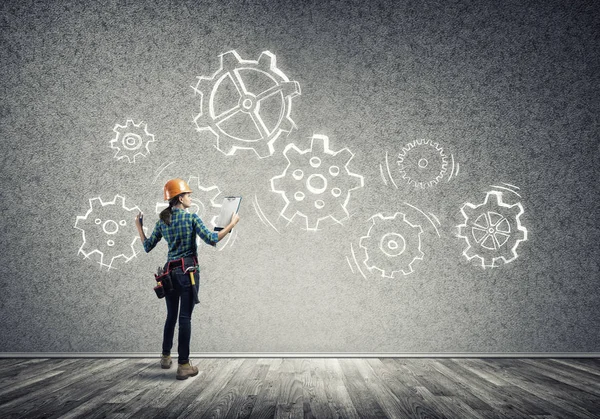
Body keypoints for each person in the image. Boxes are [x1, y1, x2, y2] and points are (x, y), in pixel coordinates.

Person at [134, 178, 240, 380]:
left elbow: (147, 247)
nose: (191, 198)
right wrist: (232, 224)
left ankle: (165, 357)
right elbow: (212, 239)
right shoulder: (192, 218)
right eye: (188, 195)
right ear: (180, 198)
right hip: (187, 273)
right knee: (185, 318)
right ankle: (183, 364)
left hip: (168, 274)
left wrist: (139, 226)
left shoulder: (162, 221)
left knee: (171, 316)